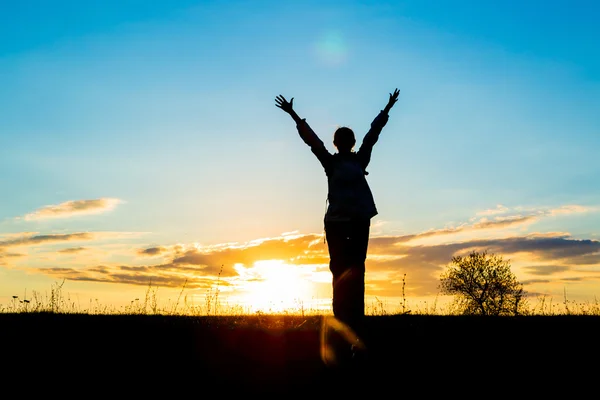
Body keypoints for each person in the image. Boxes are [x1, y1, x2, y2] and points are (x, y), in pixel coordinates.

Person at [275, 89, 400, 341]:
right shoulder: (330, 162)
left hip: (358, 221)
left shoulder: (360, 161)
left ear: (350, 143)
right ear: (338, 143)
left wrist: (387, 110)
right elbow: (312, 141)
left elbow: (372, 136)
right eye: (341, 139)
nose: (345, 142)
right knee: (339, 269)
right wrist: (293, 115)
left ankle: (355, 320)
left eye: (347, 139)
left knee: (357, 269)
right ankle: (341, 317)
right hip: (337, 224)